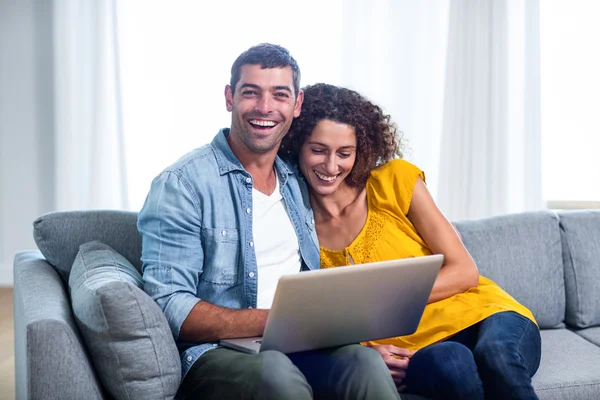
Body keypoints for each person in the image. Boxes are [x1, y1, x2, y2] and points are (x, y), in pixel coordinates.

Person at [137, 44, 402, 400]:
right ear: (230, 98)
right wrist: (278, 320)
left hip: (304, 344)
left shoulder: (297, 179)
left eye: (279, 95)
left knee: (364, 364)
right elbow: (168, 303)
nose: (264, 108)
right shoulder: (183, 184)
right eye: (251, 93)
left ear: (296, 105)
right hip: (218, 354)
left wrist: (355, 335)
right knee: (276, 372)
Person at [279, 83, 542, 400]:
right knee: (451, 366)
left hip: (487, 315)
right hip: (419, 350)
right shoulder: (294, 227)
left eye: (344, 153)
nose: (331, 166)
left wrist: (376, 301)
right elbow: (307, 319)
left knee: (497, 355)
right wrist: (367, 349)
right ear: (296, 146)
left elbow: (464, 271)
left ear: (360, 151)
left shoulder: (395, 180)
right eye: (318, 150)